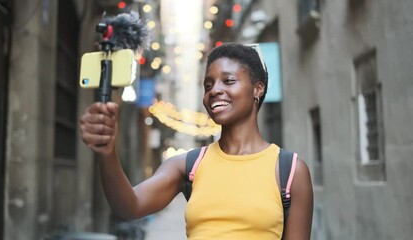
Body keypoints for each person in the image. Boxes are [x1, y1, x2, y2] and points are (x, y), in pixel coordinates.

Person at [80, 43, 313, 239]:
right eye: (208, 85)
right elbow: (129, 205)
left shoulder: (290, 171)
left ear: (257, 89)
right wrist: (107, 151)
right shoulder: (188, 165)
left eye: (228, 81)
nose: (214, 91)